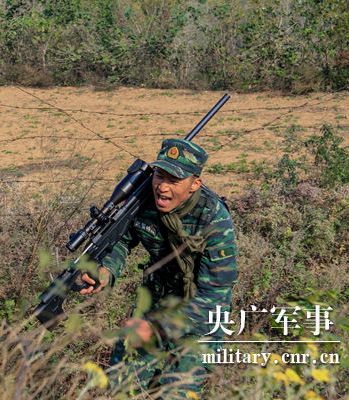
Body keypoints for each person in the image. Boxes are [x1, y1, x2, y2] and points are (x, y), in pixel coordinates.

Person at [80, 138, 238, 397]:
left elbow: (214, 296)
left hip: (199, 313)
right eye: (159, 176)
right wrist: (106, 270)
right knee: (122, 386)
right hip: (156, 301)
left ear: (194, 184)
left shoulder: (214, 218)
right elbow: (122, 239)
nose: (162, 187)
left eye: (173, 180)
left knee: (176, 393)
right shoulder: (142, 201)